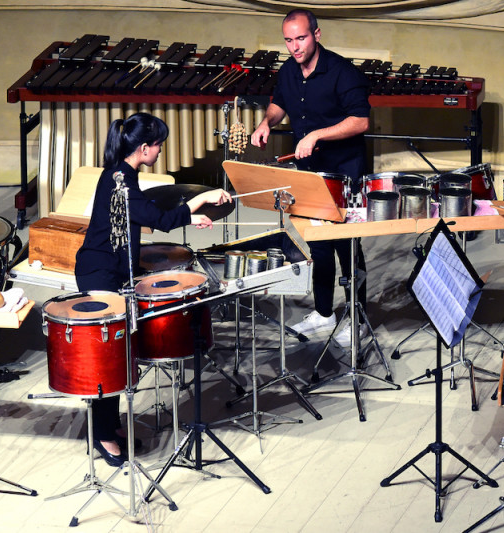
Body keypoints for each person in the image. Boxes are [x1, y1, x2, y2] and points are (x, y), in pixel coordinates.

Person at [75, 112, 232, 466]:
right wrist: (193, 214)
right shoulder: (120, 180)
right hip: (98, 273)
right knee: (109, 356)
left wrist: (199, 201)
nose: (161, 151)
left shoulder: (122, 173)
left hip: (113, 270)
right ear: (144, 148)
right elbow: (157, 218)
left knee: (120, 349)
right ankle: (101, 434)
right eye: (158, 144)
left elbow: (148, 210)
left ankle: (108, 424)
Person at [250, 9, 371, 346]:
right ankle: (323, 312)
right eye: (288, 40)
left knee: (347, 245)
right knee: (317, 245)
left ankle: (356, 317)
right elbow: (280, 103)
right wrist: (266, 123)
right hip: (310, 172)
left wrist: (317, 135)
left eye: (300, 38)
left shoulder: (342, 72)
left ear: (316, 35)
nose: (294, 47)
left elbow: (360, 121)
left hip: (344, 170)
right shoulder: (289, 70)